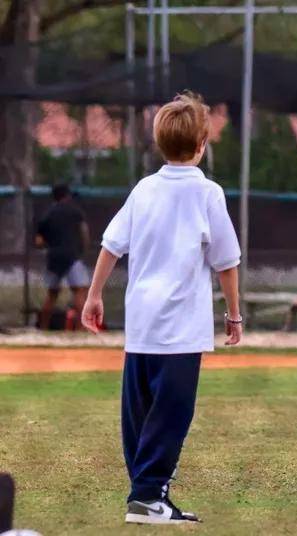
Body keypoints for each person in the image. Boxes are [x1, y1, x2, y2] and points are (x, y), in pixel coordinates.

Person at [81, 92, 243, 525]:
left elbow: (110, 246)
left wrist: (94, 295)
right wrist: (233, 314)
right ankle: (149, 495)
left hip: (141, 323)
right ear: (202, 143)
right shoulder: (208, 194)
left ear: (159, 142)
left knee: (139, 411)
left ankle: (145, 495)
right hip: (181, 329)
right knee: (173, 412)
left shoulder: (143, 189)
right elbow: (226, 262)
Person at [35, 184, 91, 330]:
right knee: (79, 292)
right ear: (66, 196)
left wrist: (51, 245)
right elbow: (84, 233)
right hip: (72, 255)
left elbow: (39, 242)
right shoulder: (75, 211)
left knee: (52, 294)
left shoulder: (47, 214)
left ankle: (43, 328)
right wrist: (82, 250)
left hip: (54, 256)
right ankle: (81, 329)